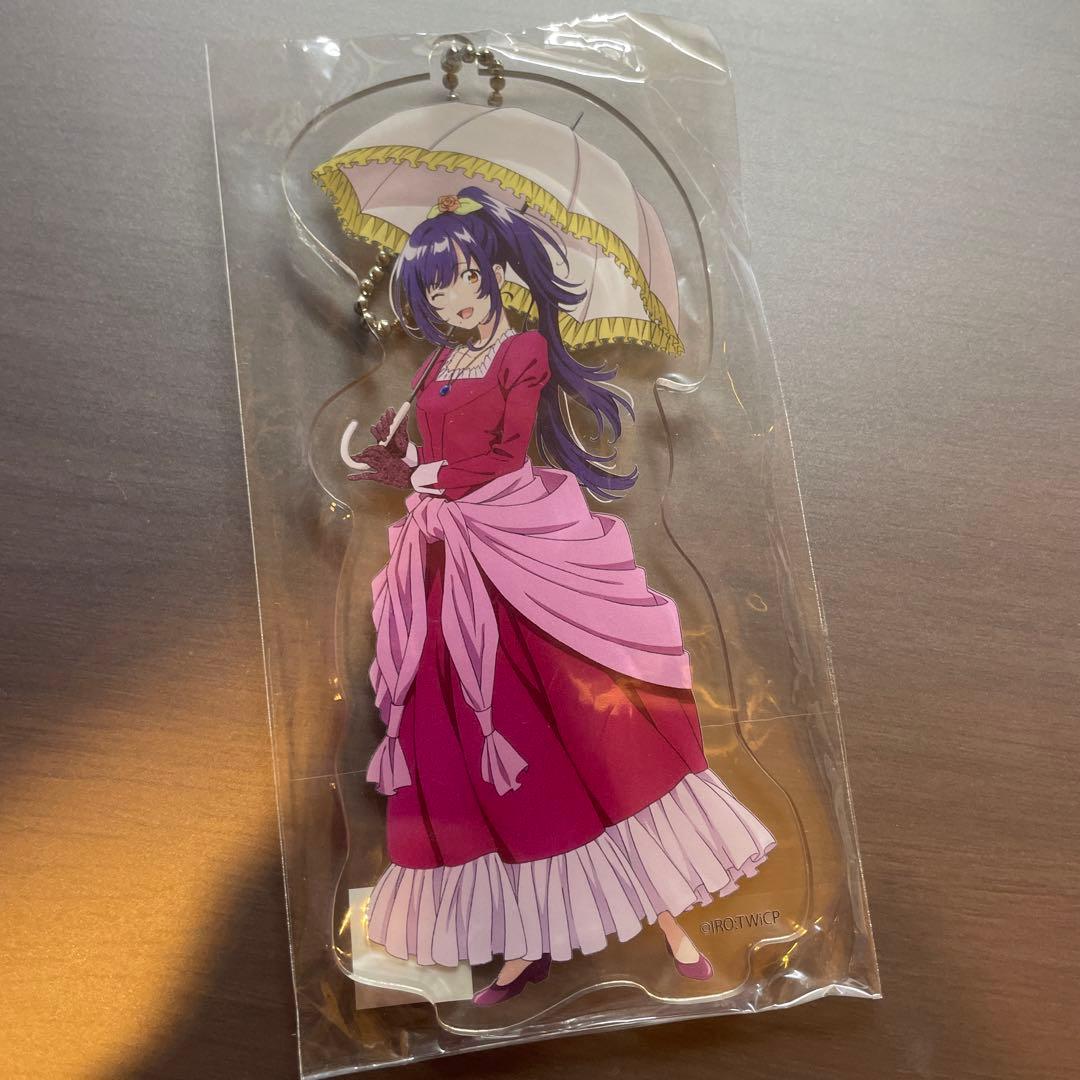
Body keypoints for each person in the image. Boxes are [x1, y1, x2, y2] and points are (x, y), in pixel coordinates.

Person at [350, 186, 774, 1007]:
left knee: (581, 728)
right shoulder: (435, 363)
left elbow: (507, 455)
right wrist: (391, 456)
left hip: (516, 555)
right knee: (477, 752)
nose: (453, 297)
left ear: (493, 271)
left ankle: (669, 920)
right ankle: (524, 945)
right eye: (436, 285)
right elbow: (422, 442)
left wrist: (425, 473)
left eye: (464, 275)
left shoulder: (524, 351)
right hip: (444, 565)